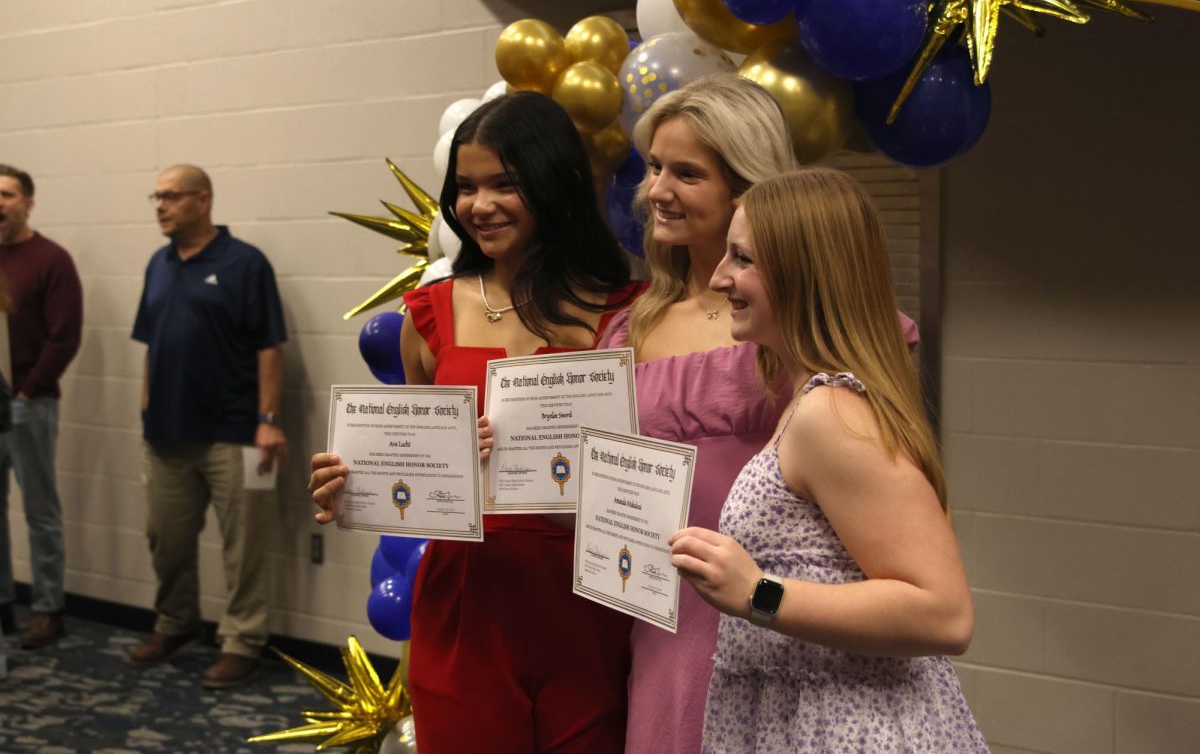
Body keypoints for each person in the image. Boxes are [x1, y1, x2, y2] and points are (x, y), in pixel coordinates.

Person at [600, 73, 921, 754]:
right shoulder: (629, 326)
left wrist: (768, 598)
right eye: (654, 166)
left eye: (686, 172)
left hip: (789, 617)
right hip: (660, 617)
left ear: (747, 188)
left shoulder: (799, 331)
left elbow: (920, 568)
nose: (656, 190)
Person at [309, 92, 638, 753]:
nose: (478, 206)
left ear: (558, 182)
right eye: (464, 187)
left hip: (588, 595)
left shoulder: (627, 314)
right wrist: (356, 482)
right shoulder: (428, 314)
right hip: (467, 597)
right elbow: (412, 465)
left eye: (503, 184)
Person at [670, 168, 987, 752]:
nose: (719, 278)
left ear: (803, 273)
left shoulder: (831, 413)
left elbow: (943, 614)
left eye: (742, 259)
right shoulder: (806, 402)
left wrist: (758, 593)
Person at [129, 164, 288, 689]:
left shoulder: (245, 263)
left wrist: (268, 421)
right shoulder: (158, 263)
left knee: (245, 548)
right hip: (166, 434)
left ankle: (242, 641)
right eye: (156, 197)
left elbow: (270, 346)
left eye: (171, 197)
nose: (160, 206)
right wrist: (147, 403)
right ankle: (175, 623)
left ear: (203, 200)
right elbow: (152, 343)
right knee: (164, 538)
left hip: (237, 432)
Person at [0, 164, 83, 648]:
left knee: (39, 511)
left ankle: (49, 608)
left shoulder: (51, 259)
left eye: (8, 194)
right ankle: (4, 603)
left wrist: (29, 391)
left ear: (28, 202)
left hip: (30, 405)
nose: (0, 202)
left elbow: (64, 336)